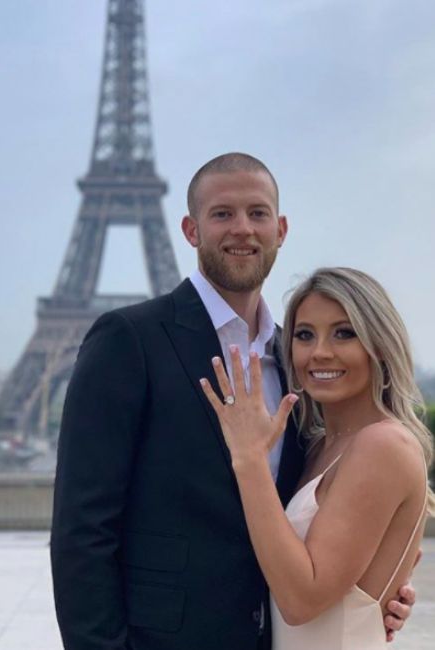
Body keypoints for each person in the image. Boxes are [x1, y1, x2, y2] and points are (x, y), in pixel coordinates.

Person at [50, 154, 414, 650]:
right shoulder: (129, 341)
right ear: (190, 229)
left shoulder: (300, 362)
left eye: (257, 213)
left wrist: (375, 592)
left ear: (280, 229)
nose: (242, 228)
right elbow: (81, 532)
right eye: (222, 214)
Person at [201, 266, 433, 649]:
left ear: (379, 344)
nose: (320, 352)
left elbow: (301, 600)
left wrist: (248, 458)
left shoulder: (383, 445)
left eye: (344, 333)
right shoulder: (317, 446)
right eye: (304, 335)